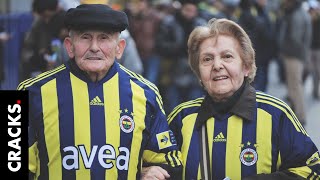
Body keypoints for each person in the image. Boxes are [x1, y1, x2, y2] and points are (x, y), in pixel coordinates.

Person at [17, 4, 182, 179]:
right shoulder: (27, 93)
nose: (94, 47)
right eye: (85, 37)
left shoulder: (147, 93)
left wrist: (150, 171)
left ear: (119, 47)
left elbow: (170, 162)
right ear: (69, 46)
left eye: (104, 38)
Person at [167, 18, 320, 179]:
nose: (217, 65)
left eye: (227, 56)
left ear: (246, 66)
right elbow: (157, 166)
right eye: (207, 59)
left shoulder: (275, 114)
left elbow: (313, 170)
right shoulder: (181, 117)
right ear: (199, 73)